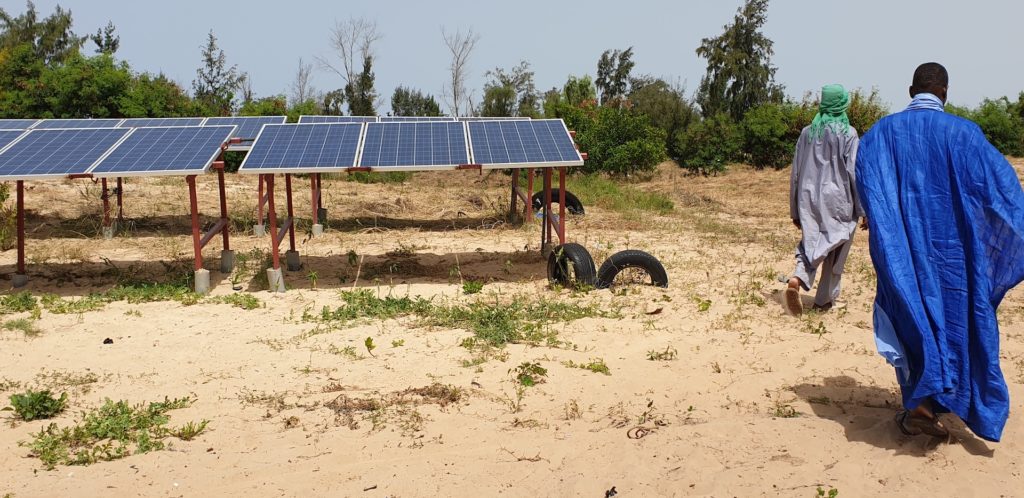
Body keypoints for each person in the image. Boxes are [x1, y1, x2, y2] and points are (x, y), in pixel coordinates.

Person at [856, 62, 1024, 441]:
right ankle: (938, 401)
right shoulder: (965, 135)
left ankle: (919, 404)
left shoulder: (880, 135)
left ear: (910, 90)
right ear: (945, 92)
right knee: (957, 318)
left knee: (908, 315)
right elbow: (1003, 195)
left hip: (901, 255)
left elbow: (870, 191)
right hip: (955, 257)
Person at [784, 84, 862, 316]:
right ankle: (824, 300)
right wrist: (863, 208)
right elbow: (853, 174)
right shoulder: (849, 134)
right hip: (839, 199)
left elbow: (796, 173)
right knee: (837, 246)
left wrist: (795, 210)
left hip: (808, 197)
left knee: (812, 241)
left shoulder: (808, 132)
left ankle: (798, 277)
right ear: (842, 103)